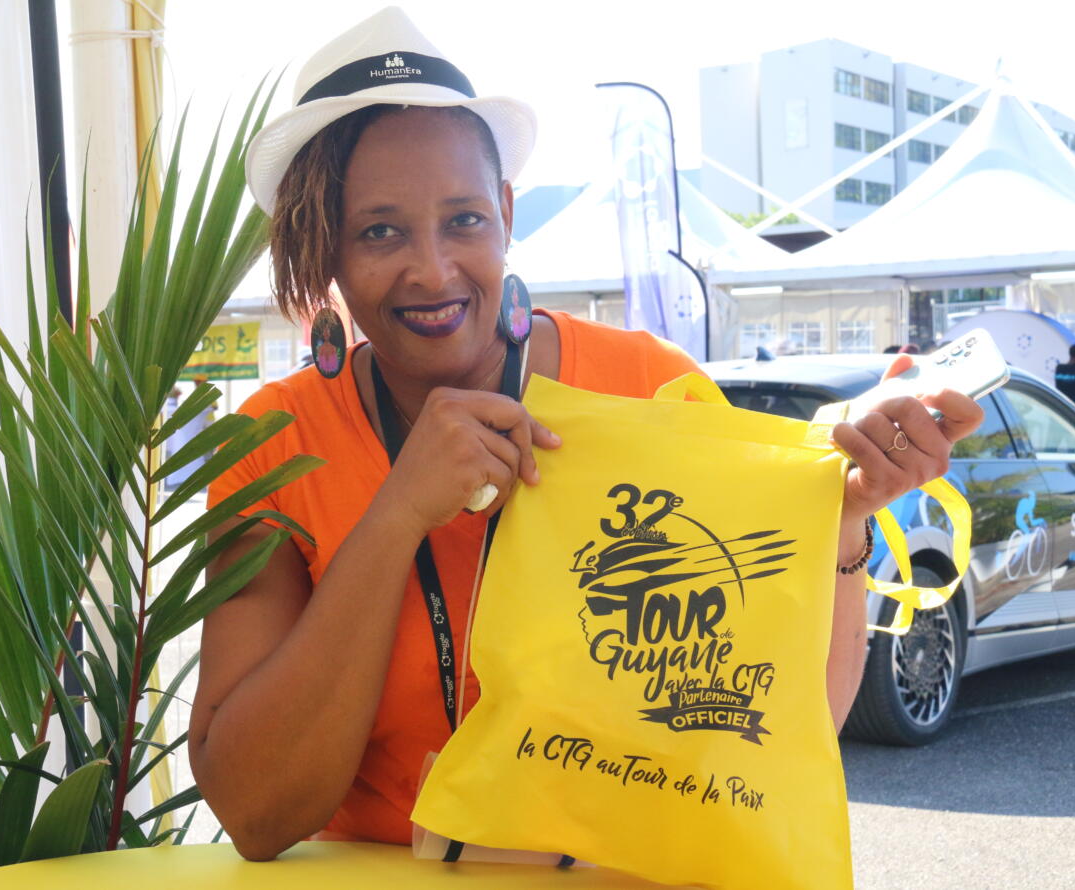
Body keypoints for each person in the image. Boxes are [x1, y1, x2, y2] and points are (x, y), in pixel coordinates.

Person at [187, 6, 984, 862]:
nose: (432, 268)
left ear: (504, 210)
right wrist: (396, 516)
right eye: (379, 231)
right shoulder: (275, 443)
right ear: (325, 249)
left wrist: (842, 521)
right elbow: (256, 812)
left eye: (463, 219)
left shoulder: (647, 387)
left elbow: (780, 737)